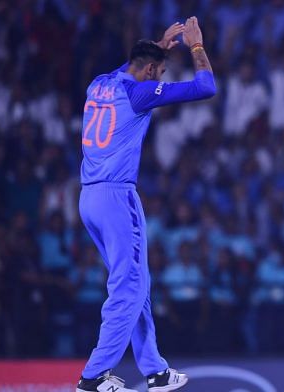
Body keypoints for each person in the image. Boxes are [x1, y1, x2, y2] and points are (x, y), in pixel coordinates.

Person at [76, 17, 216, 392]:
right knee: (128, 288)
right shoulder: (140, 93)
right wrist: (197, 47)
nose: (160, 78)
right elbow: (207, 86)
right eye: (160, 72)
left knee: (138, 283)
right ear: (151, 71)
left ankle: (154, 369)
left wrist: (158, 45)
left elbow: (132, 66)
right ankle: (93, 377)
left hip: (88, 196)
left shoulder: (100, 83)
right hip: (117, 196)